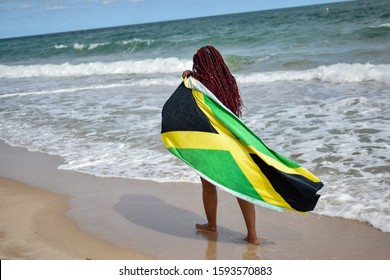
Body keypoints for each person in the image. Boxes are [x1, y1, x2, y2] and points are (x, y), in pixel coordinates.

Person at [182, 46, 260, 245]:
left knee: (208, 185)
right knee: (241, 186)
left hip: (210, 141)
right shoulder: (229, 82)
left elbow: (188, 110)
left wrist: (187, 79)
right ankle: (252, 235)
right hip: (232, 139)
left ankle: (212, 225)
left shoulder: (196, 84)